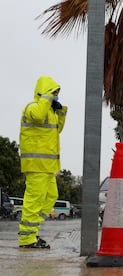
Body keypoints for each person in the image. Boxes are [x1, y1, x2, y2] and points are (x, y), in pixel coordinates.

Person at [18, 76, 68, 249]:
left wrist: (60, 112)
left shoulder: (51, 112)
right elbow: (38, 116)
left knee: (51, 196)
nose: (56, 96)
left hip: (48, 167)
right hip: (35, 164)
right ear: (45, 92)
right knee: (34, 199)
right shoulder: (32, 107)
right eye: (54, 93)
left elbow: (57, 130)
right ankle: (27, 239)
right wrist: (46, 98)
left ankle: (32, 231)